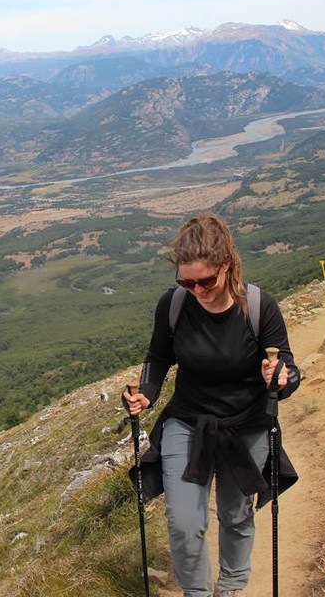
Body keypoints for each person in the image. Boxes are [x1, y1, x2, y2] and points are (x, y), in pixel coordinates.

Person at [123, 213, 299, 597]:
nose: (197, 289)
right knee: (185, 522)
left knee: (236, 515)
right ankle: (197, 594)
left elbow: (287, 368)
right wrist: (147, 394)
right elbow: (158, 357)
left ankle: (231, 588)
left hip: (245, 424)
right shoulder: (174, 305)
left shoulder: (258, 307)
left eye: (206, 280)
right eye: (187, 281)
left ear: (228, 266)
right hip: (187, 421)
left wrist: (281, 379)